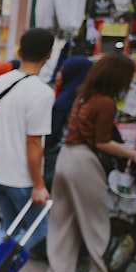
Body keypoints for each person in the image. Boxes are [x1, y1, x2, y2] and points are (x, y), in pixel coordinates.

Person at [46, 52, 136, 272]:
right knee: (96, 219)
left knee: (63, 217)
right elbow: (102, 142)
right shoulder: (106, 103)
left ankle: (60, 269)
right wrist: (134, 154)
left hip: (66, 156)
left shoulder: (82, 97)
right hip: (84, 161)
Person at [0, 27, 56, 272]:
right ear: (49, 56)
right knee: (38, 230)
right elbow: (34, 144)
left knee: (8, 229)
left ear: (19, 51)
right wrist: (39, 185)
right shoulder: (41, 93)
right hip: (21, 178)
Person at [44, 55, 93, 191]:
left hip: (59, 157)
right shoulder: (85, 98)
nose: (58, 75)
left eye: (63, 70)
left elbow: (51, 134)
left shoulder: (65, 102)